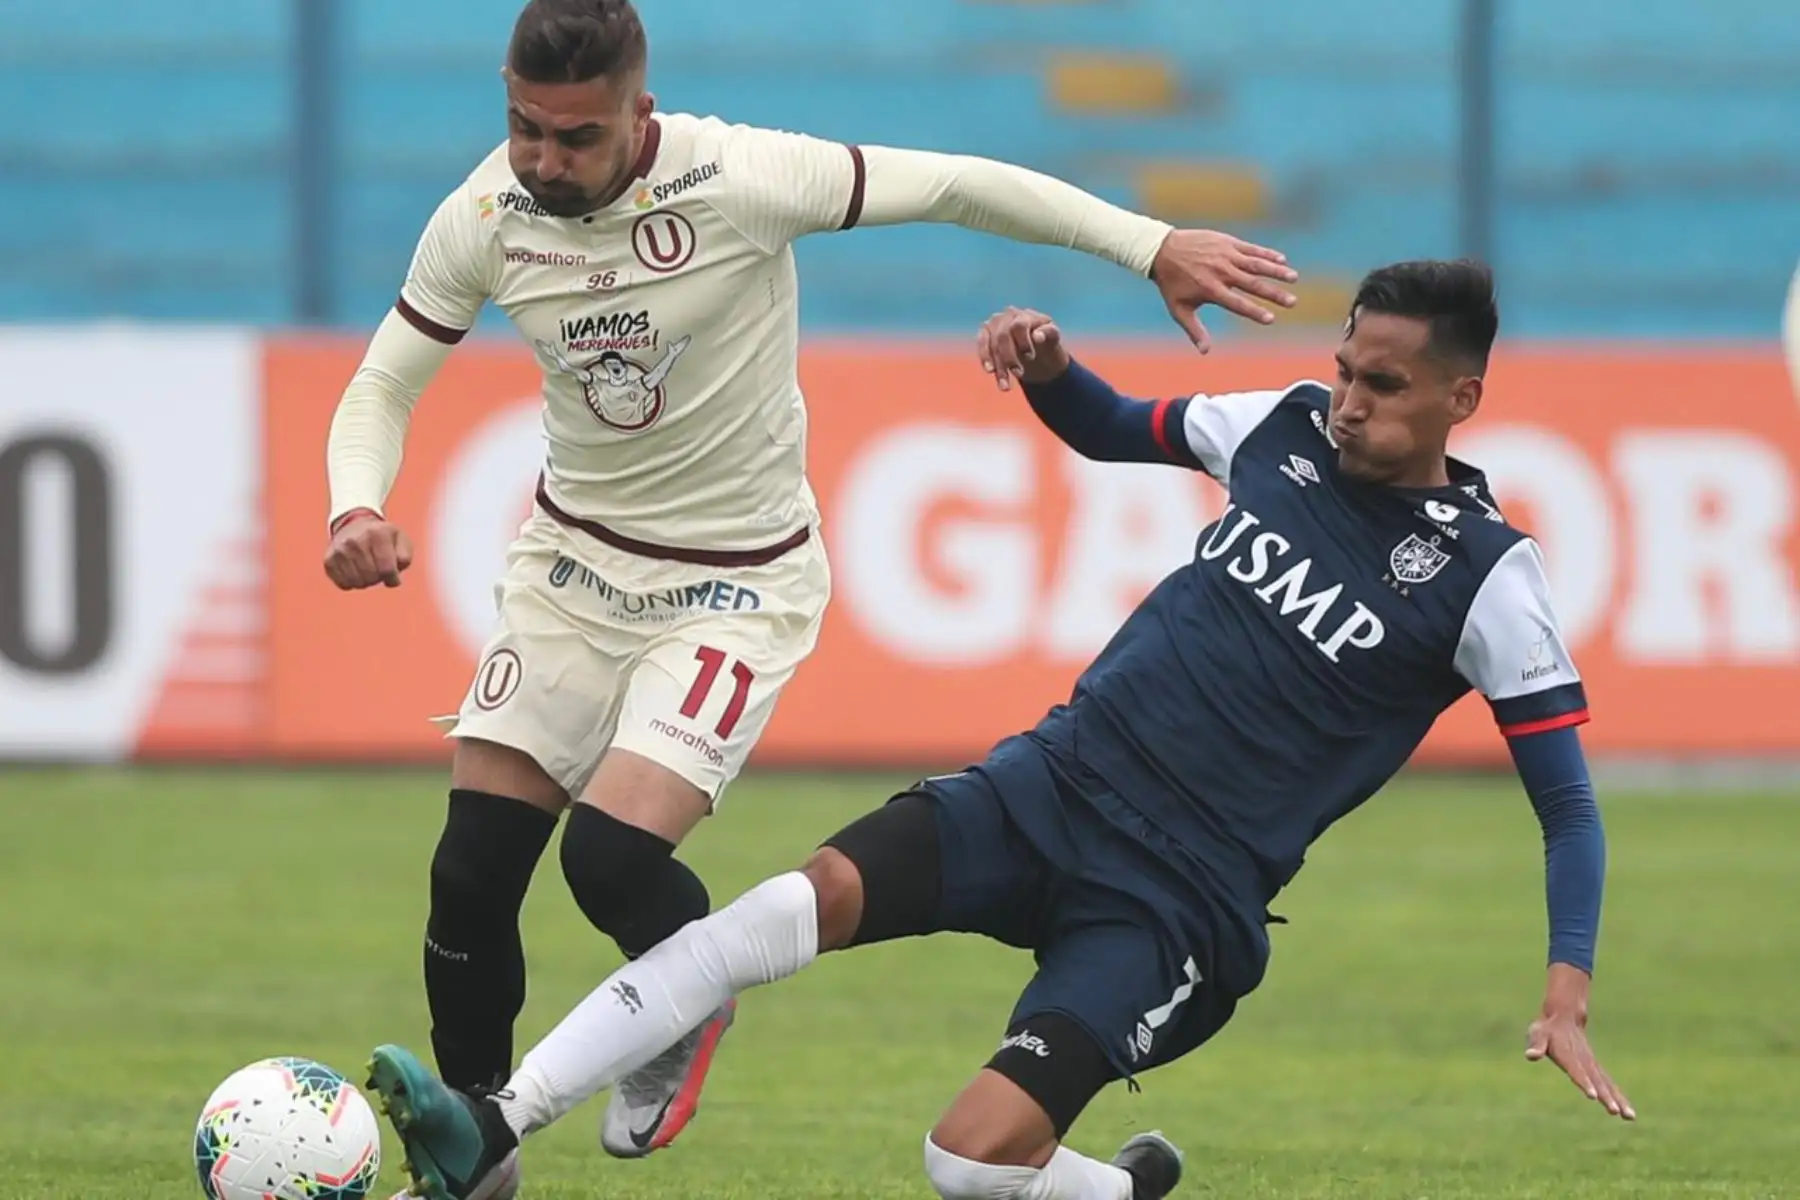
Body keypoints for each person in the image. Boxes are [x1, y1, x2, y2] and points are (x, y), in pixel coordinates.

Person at [362, 259, 1634, 1200]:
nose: (1351, 399)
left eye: (1387, 384)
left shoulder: (1488, 578)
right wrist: (1047, 369)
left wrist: (1566, 990)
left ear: (1463, 396)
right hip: (1050, 783)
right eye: (1349, 367)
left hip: (1177, 904)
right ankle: (498, 1120)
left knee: (960, 1165)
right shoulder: (1283, 425)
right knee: (764, 920)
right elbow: (1113, 424)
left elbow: (1568, 805)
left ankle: (1115, 1191)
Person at [320, 0, 1299, 1186]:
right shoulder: (485, 213)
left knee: (612, 864)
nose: (542, 160)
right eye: (524, 127)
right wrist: (356, 504)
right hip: (572, 570)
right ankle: (475, 1150)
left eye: (573, 138)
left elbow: (951, 185)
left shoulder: (742, 176)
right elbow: (385, 379)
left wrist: (1148, 246)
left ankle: (683, 1008)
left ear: (641, 111)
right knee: (470, 872)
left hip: (734, 587)